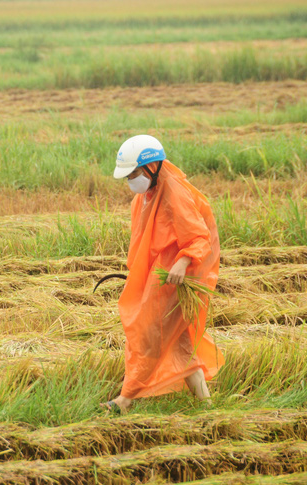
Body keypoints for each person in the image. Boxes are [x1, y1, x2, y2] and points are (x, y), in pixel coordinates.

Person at [101, 134, 224, 413]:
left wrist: (182, 263)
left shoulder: (174, 192)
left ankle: (126, 399)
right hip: (159, 275)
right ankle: (206, 406)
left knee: (148, 334)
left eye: (133, 173)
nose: (131, 180)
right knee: (175, 338)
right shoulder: (150, 192)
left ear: (151, 167)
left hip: (173, 278)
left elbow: (198, 238)